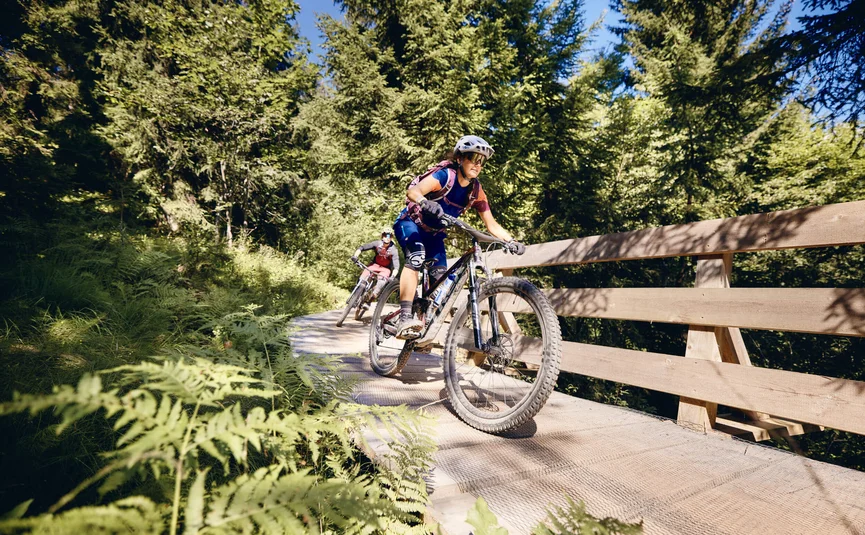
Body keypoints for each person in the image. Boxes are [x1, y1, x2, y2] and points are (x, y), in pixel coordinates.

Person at [393, 135, 525, 339]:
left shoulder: (476, 191)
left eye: (482, 161)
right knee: (416, 257)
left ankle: (423, 325)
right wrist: (425, 202)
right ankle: (404, 318)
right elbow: (413, 191)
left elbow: (491, 225)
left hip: (435, 235)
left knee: (441, 280)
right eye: (473, 157)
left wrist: (511, 241)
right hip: (411, 224)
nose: (477, 164)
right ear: (460, 158)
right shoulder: (445, 176)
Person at [351, 227, 400, 312]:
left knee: (380, 284)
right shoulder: (377, 243)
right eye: (385, 235)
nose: (387, 237)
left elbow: (396, 266)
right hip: (375, 265)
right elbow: (362, 248)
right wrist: (355, 256)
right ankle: (357, 294)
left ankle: (369, 301)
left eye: (389, 235)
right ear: (382, 236)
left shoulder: (393, 250)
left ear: (392, 237)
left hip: (385, 269)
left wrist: (393, 276)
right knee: (363, 276)